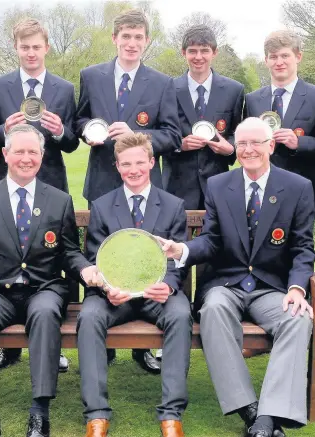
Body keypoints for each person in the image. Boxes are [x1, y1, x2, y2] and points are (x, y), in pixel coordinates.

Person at [159, 117, 315, 437]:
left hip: (272, 286)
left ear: (271, 146)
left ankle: (269, 416)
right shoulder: (219, 185)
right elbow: (212, 240)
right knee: (213, 310)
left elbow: (303, 248)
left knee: (298, 319)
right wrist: (182, 250)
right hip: (225, 284)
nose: (248, 150)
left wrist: (298, 288)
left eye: (256, 142)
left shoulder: (298, 187)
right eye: (242, 143)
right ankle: (250, 409)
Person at [0, 124, 102, 437]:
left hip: (44, 289)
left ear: (42, 155)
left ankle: (39, 413)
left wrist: (86, 269)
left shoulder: (58, 200)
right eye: (19, 151)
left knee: (47, 313)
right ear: (5, 154)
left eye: (32, 152)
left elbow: (68, 252)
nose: (26, 158)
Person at [75, 8, 180, 372]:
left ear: (146, 41)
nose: (132, 43)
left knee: (143, 257)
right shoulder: (91, 76)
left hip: (145, 186)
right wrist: (91, 130)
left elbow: (173, 134)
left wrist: (139, 140)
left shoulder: (163, 82)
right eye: (126, 36)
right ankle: (100, 339)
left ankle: (143, 347)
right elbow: (79, 119)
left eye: (139, 37)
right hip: (104, 182)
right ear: (115, 38)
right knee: (103, 255)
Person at [0, 18, 78, 372]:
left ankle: (56, 343)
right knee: (7, 257)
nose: (31, 53)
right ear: (16, 48)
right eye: (25, 47)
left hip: (51, 187)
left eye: (37, 46)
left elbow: (73, 143)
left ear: (46, 47)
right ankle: (9, 346)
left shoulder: (64, 89)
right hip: (8, 186)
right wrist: (1, 129)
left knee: (55, 261)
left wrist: (62, 130)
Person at [77, 133, 192, 437]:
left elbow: (177, 258)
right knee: (89, 316)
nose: (134, 169)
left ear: (152, 163)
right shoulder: (102, 206)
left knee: (181, 315)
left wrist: (167, 286)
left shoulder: (172, 205)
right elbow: (95, 258)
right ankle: (97, 414)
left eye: (140, 162)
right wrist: (106, 288)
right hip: (116, 295)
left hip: (158, 295)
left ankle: (171, 414)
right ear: (117, 166)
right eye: (126, 164)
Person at [244, 30, 315, 218]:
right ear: (266, 60)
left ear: (298, 57)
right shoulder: (252, 100)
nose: (279, 62)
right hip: (260, 193)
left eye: (285, 55)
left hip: (303, 192)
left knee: (301, 248)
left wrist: (298, 143)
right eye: (273, 57)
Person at [163, 24, 244, 210]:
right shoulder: (166, 89)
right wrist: (178, 145)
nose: (198, 57)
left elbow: (237, 133)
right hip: (176, 188)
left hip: (219, 186)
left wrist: (230, 148)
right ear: (183, 53)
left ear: (214, 53)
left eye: (204, 51)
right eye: (192, 51)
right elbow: (159, 133)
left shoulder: (234, 90)